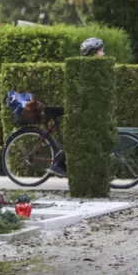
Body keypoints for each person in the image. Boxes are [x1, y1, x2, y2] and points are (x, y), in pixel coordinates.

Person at [47, 37, 106, 177]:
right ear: (92, 53)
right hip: (76, 109)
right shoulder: (85, 69)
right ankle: (58, 165)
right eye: (101, 51)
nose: (103, 53)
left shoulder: (93, 68)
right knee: (79, 138)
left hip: (81, 109)